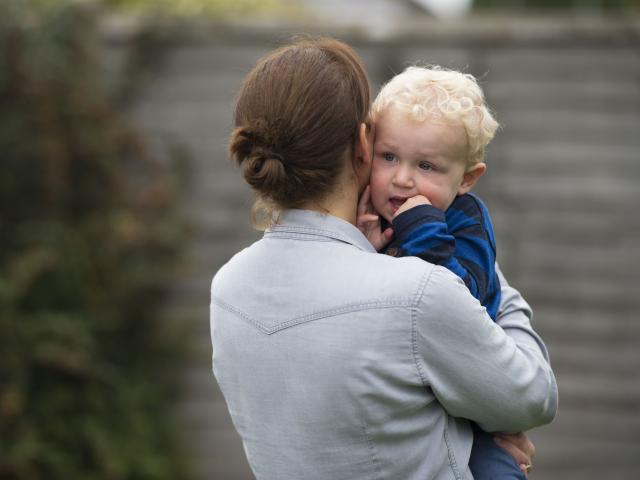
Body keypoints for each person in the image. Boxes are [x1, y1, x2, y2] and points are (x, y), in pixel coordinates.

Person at [211, 37, 558, 480]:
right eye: (388, 154)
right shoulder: (415, 292)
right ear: (363, 144)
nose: (404, 176)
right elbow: (532, 397)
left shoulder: (226, 288)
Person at [357, 65, 526, 479]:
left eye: (427, 166)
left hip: (461, 391)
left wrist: (422, 229)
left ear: (467, 178)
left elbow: (462, 303)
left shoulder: (465, 222)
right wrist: (365, 248)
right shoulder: (365, 211)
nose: (402, 179)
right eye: (389, 156)